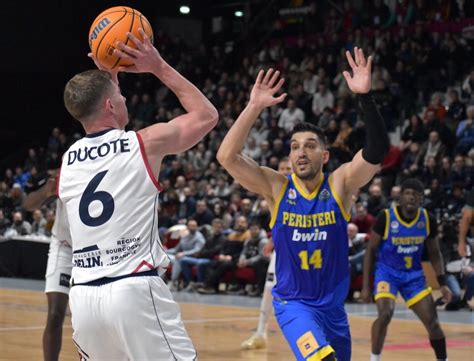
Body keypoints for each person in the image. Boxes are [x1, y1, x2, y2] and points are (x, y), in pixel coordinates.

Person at [218, 47, 389, 361]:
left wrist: (365, 97)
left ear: (324, 156)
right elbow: (226, 157)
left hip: (334, 311)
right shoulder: (276, 188)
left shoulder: (340, 185)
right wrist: (254, 106)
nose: (301, 152)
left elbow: (377, 150)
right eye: (295, 147)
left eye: (310, 146)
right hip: (293, 305)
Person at [57, 29, 218, 360]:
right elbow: (206, 116)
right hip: (133, 288)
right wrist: (157, 66)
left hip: (84, 298)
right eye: (120, 94)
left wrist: (108, 76)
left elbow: (100, 124)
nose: (126, 98)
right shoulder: (141, 144)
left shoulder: (68, 160)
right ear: (108, 105)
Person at [362, 178, 452, 361]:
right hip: (387, 274)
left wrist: (442, 283)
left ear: (421, 200)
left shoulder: (427, 219)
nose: (411, 197)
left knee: (433, 324)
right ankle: (374, 358)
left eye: (415, 195)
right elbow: (370, 250)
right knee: (385, 314)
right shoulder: (386, 217)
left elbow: (435, 253)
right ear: (400, 197)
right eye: (407, 194)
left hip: (414, 277)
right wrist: (366, 285)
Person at [241, 157, 292, 350]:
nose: (285, 171)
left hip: (304, 249)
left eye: (288, 168)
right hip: (282, 249)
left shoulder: (304, 189)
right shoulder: (275, 189)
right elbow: (279, 220)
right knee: (269, 288)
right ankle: (260, 333)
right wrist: (273, 239)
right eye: (282, 168)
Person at [23, 172, 72, 361]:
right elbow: (27, 205)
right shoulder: (67, 170)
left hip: (97, 248)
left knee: (97, 318)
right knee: (54, 315)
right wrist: (45, 192)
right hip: (64, 246)